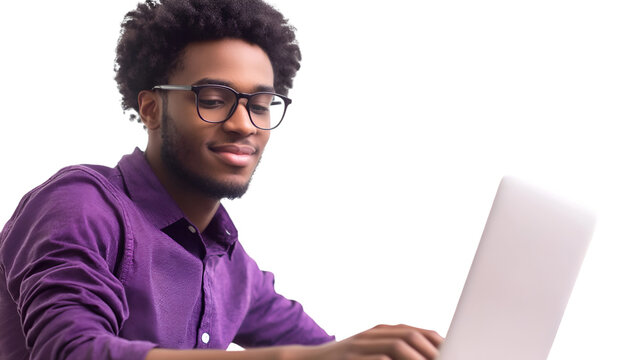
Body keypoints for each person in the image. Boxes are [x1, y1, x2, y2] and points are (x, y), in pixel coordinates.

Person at [0, 0, 443, 359]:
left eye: (262, 103)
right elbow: (72, 351)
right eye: (213, 100)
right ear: (152, 108)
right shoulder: (81, 205)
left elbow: (330, 352)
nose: (243, 124)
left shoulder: (232, 266)